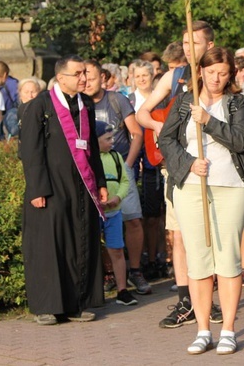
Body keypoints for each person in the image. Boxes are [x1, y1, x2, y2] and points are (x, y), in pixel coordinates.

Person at [158, 47, 244, 355]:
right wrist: (189, 163)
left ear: (230, 75)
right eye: (211, 71)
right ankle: (203, 329)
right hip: (191, 187)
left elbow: (242, 141)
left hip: (230, 186)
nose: (216, 78)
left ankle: (228, 329)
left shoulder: (236, 103)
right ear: (200, 71)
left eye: (223, 73)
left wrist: (209, 122)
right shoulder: (183, 102)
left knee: (227, 257)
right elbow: (166, 139)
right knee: (199, 259)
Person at [135, 22, 221, 328]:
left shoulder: (218, 74)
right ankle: (187, 301)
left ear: (209, 46)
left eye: (194, 43)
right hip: (180, 167)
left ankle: (209, 299)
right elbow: (142, 113)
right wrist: (162, 129)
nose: (187, 48)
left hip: (215, 166)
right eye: (185, 42)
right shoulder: (175, 76)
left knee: (214, 234)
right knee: (181, 235)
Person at [19, 55, 108, 325]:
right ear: (61, 77)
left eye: (85, 72)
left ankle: (77, 303)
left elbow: (91, 146)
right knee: (50, 244)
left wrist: (100, 182)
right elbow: (30, 150)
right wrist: (37, 189)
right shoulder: (40, 105)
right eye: (78, 73)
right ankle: (47, 306)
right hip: (50, 187)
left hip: (81, 187)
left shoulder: (86, 106)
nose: (84, 78)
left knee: (79, 240)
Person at [84, 59, 150, 295]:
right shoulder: (80, 104)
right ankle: (109, 273)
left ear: (102, 77)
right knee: (99, 225)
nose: (87, 82)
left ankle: (135, 270)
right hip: (93, 174)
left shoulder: (116, 100)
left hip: (119, 170)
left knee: (132, 220)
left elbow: (136, 133)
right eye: (84, 77)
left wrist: (128, 165)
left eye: (91, 77)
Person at [129, 60, 165, 280]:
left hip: (158, 160)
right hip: (140, 162)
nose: (142, 79)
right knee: (142, 216)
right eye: (138, 75)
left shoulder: (161, 97)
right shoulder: (130, 101)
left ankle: (158, 258)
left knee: (158, 216)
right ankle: (144, 259)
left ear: (153, 76)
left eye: (145, 75)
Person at [95, 121, 138, 306]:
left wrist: (118, 198)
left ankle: (122, 290)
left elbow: (125, 181)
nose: (112, 141)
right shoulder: (90, 158)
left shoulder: (115, 157)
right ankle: (95, 292)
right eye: (107, 139)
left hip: (114, 212)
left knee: (117, 250)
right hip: (95, 213)